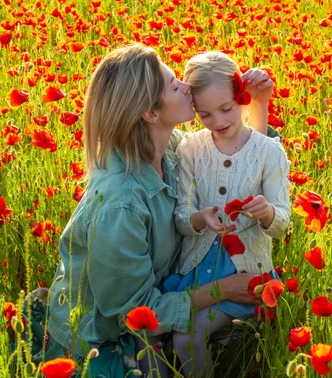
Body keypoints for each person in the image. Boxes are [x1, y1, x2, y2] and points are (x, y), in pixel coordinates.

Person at [43, 43, 277, 378]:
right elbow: (135, 314)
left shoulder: (170, 150)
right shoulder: (120, 206)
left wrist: (257, 102)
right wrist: (222, 290)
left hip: (163, 293)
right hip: (108, 335)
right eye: (173, 84)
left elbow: (243, 161)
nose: (186, 85)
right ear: (150, 114)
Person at [156, 52, 292, 377]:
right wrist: (200, 218)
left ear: (241, 97)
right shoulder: (190, 149)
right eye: (205, 114)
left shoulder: (268, 151)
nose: (218, 122)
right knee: (159, 334)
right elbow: (180, 217)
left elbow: (282, 225)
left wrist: (268, 213)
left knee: (186, 338)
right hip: (198, 270)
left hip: (246, 274)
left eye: (227, 109)